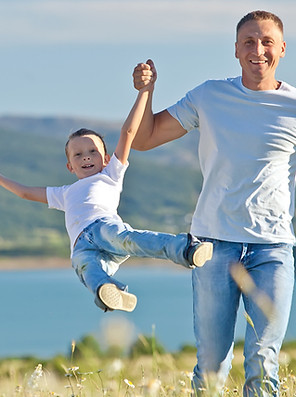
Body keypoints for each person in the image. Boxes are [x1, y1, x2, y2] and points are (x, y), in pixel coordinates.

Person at [132, 10, 296, 397]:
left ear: (282, 49)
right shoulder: (209, 96)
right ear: (236, 51)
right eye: (249, 42)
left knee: (263, 358)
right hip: (212, 246)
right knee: (211, 364)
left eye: (267, 41)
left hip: (272, 247)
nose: (258, 50)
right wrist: (144, 92)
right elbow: (145, 138)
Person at [0, 83, 213, 313]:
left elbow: (128, 132)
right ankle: (111, 291)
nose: (86, 158)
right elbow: (24, 192)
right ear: (70, 166)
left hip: (104, 230)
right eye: (78, 155)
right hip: (81, 247)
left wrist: (144, 92)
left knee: (131, 239)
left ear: (106, 158)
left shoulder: (111, 174)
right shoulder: (64, 193)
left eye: (93, 152)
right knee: (86, 268)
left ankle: (186, 249)